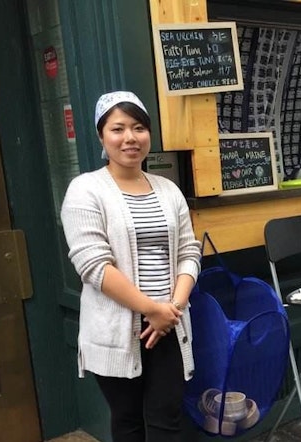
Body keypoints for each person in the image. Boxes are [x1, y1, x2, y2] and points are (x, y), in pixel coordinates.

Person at [60, 91, 202, 442]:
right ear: (101, 136)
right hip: (117, 326)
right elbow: (93, 264)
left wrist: (172, 309)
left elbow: (189, 251)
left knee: (167, 418)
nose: (129, 138)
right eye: (118, 128)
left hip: (169, 323)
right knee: (128, 421)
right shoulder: (85, 190)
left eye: (138, 128)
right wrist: (150, 309)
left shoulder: (168, 190)